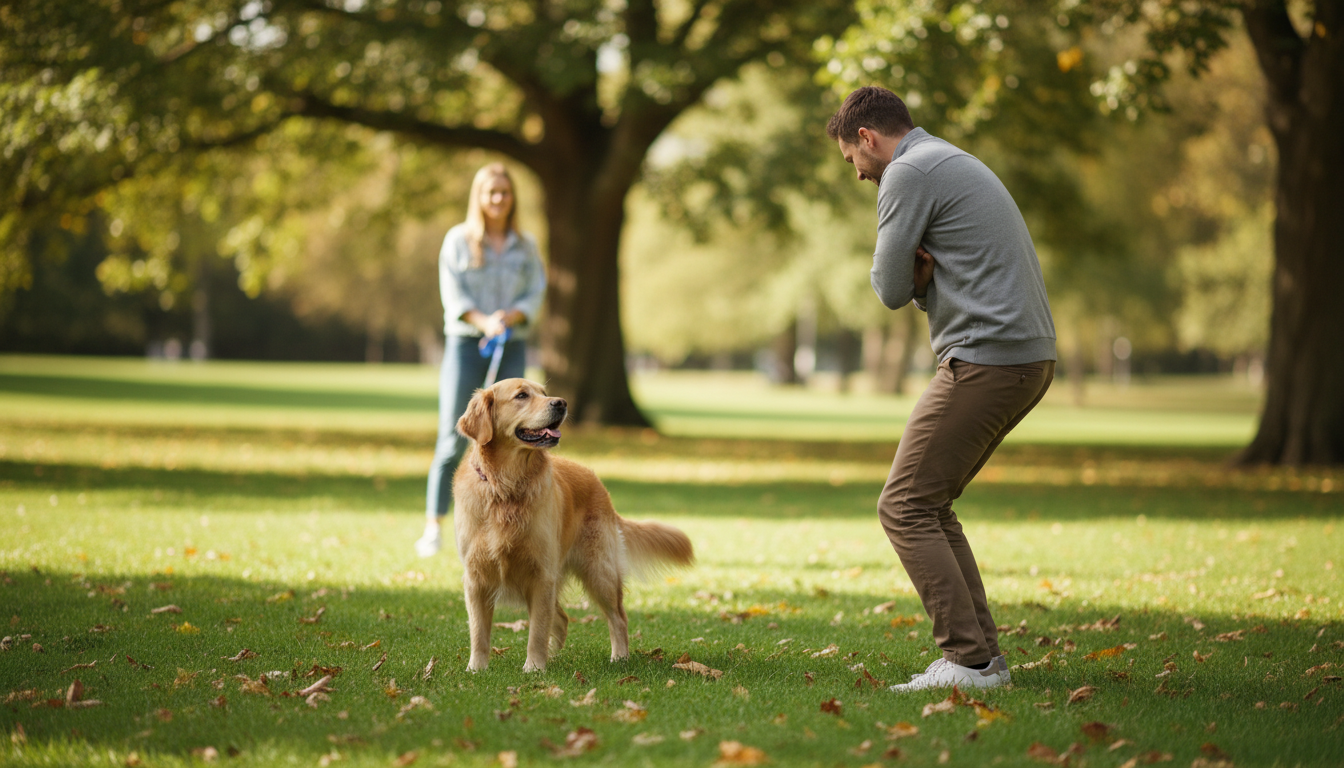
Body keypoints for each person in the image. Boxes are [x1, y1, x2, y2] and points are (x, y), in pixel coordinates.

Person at [827, 86, 1057, 692]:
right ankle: (984, 661)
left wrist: (913, 277)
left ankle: (969, 663)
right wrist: (922, 279)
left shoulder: (909, 171)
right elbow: (916, 281)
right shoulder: (947, 160)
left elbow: (887, 286)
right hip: (1020, 357)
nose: (858, 174)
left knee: (902, 506)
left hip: (988, 358)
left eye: (854, 159)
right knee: (928, 505)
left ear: (869, 139)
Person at [416, 163, 547, 557]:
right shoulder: (458, 240)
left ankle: (517, 523)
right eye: (491, 192)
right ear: (479, 197)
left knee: (519, 435)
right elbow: (453, 295)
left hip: (511, 343)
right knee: (456, 435)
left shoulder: (525, 246)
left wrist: (512, 316)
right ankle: (434, 524)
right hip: (467, 343)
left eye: (504, 193)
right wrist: (483, 320)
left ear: (512, 198)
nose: (498, 199)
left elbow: (535, 292)